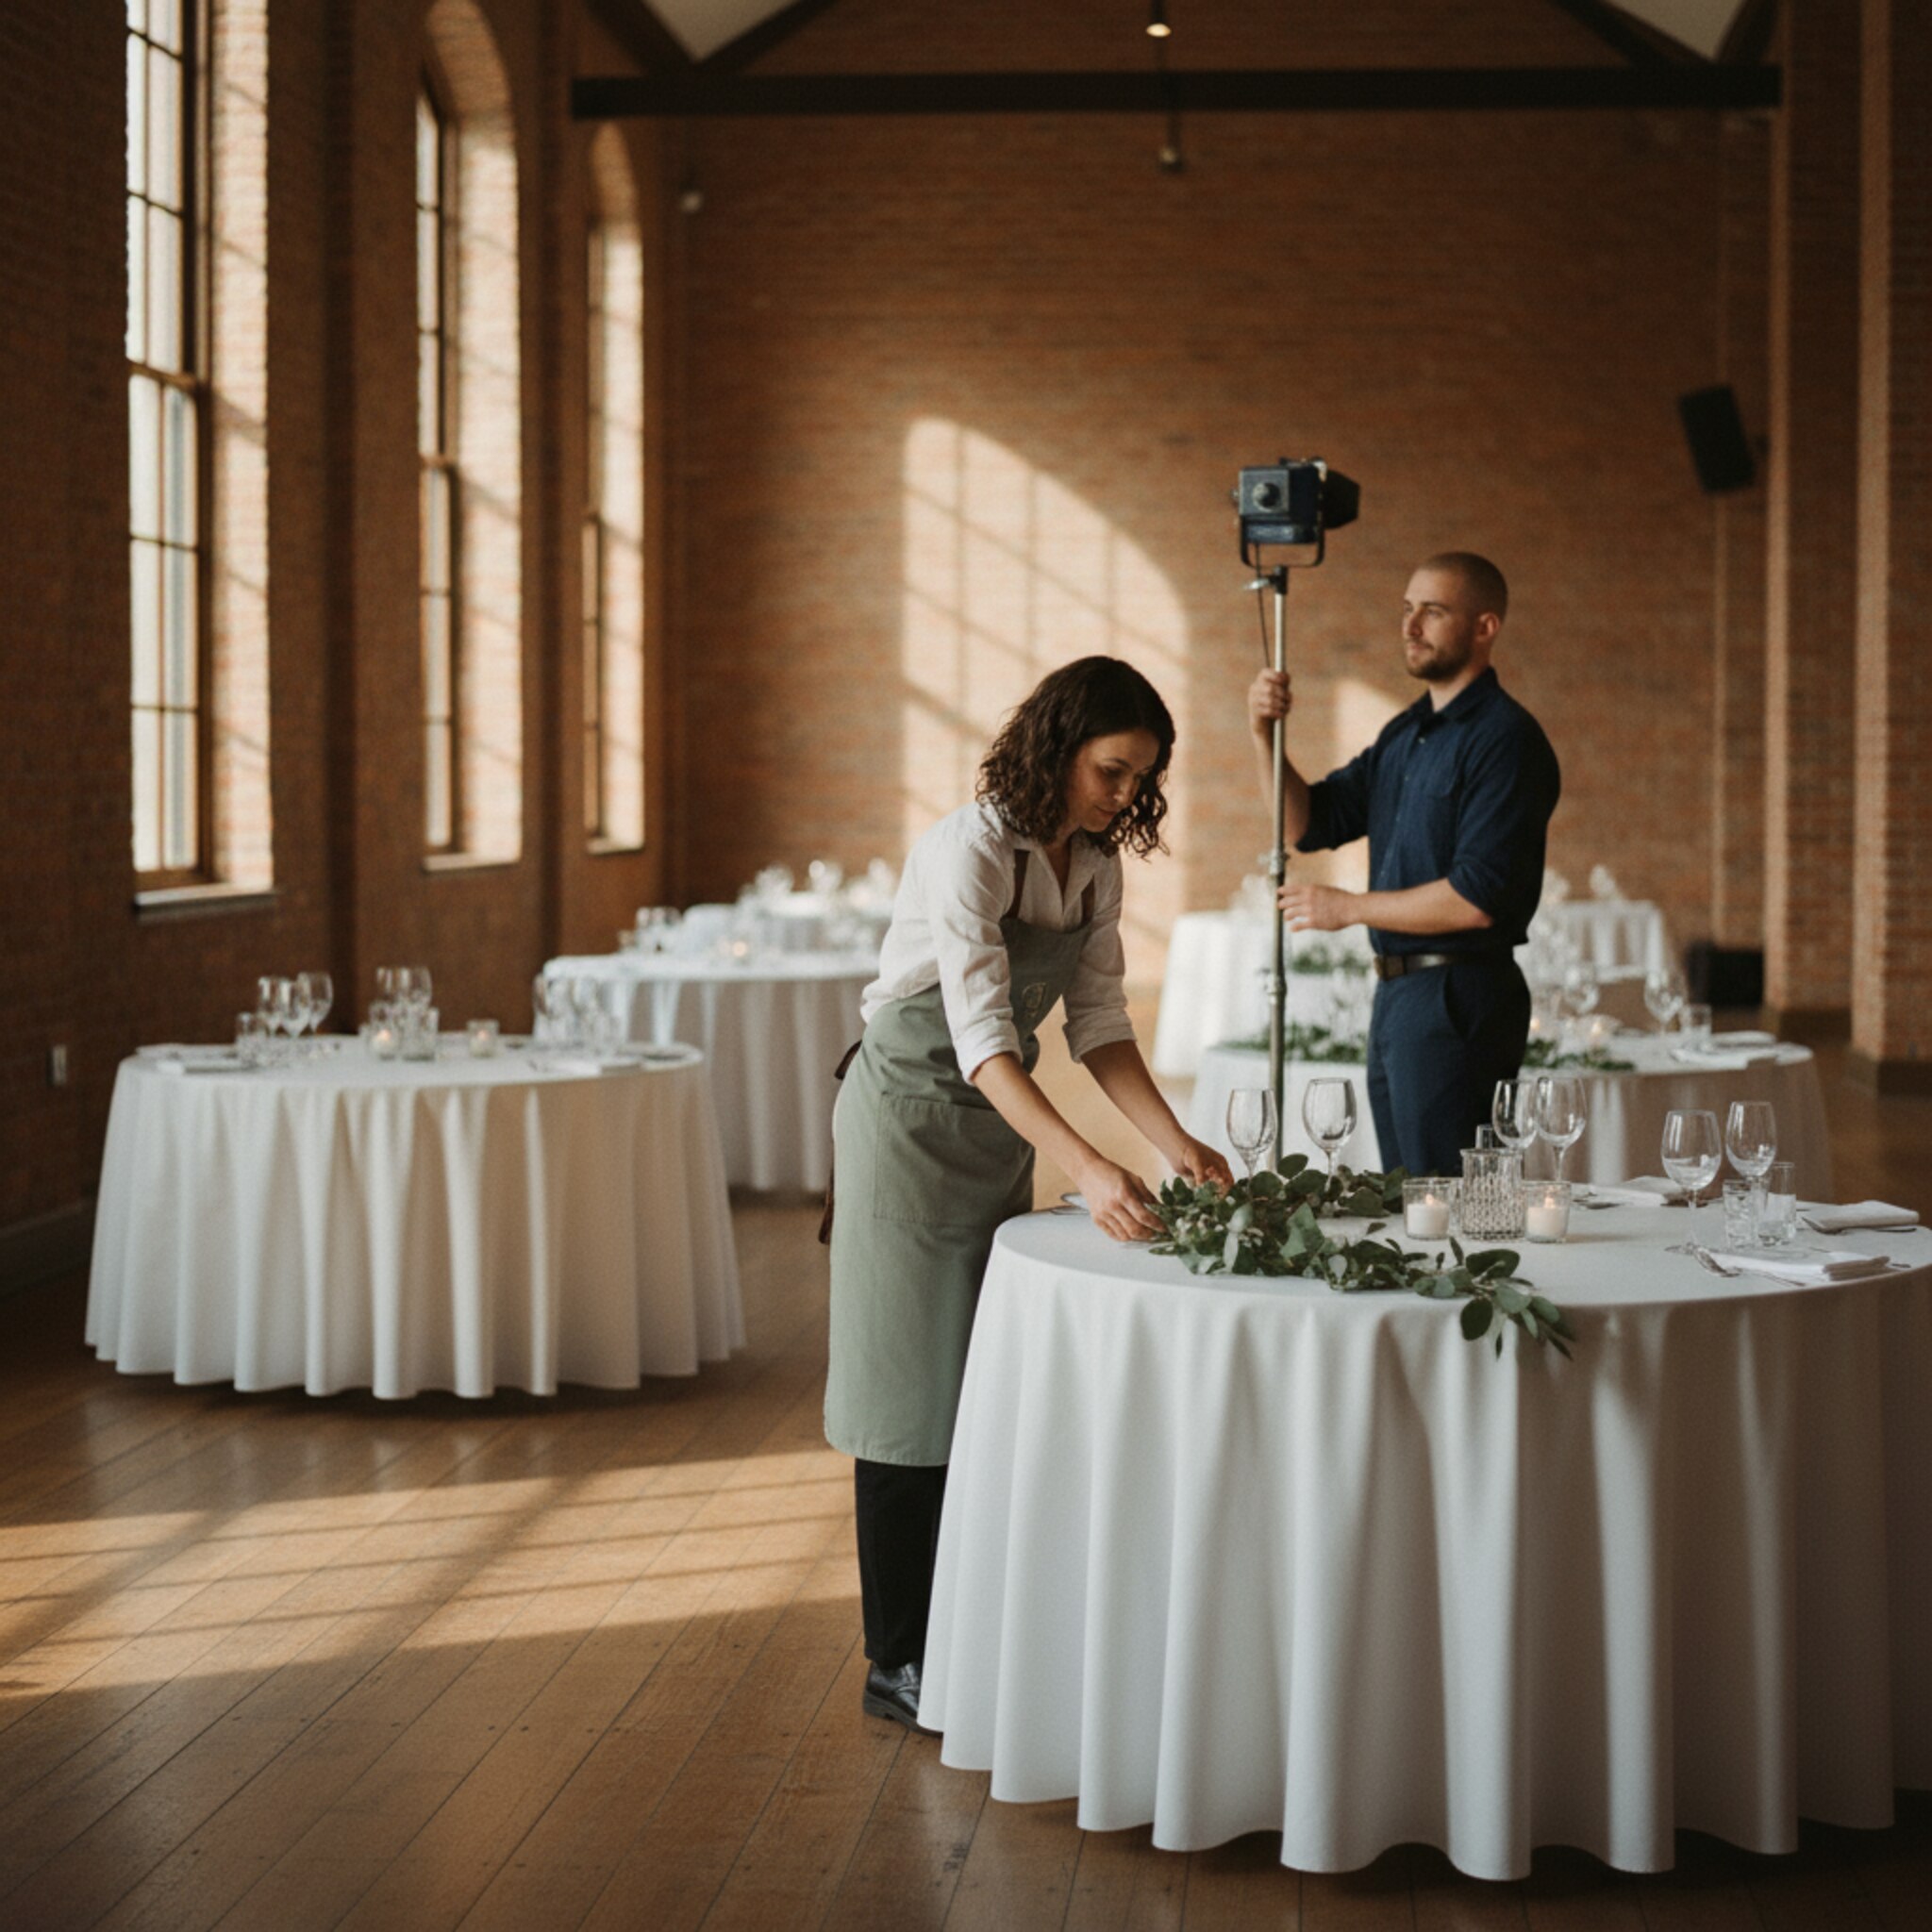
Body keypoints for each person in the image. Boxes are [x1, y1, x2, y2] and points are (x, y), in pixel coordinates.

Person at [826, 656, 1231, 1731]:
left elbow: (1096, 1022)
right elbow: (981, 1040)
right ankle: (895, 1659)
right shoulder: (964, 849)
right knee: (903, 1397)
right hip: (910, 1122)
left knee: (974, 1382)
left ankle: (962, 1632)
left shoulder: (1094, 865)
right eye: (1109, 769)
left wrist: (1172, 1139)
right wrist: (1088, 1166)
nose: (1120, 795)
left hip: (993, 1127)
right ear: (1058, 748)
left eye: (1137, 778)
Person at [1245, 552, 1560, 1177]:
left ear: (1484, 627)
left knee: (1444, 1200)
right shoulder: (1404, 733)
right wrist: (1264, 735)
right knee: (1410, 1196)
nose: (1410, 625)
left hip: (1459, 994)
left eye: (1433, 611)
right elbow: (1305, 824)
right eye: (1407, 609)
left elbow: (1478, 898)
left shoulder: (1507, 740)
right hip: (1398, 995)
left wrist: (1349, 908)